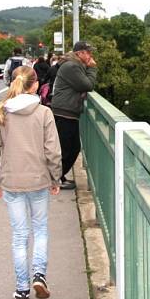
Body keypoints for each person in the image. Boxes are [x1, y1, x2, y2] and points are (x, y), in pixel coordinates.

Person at [0, 66, 62, 299]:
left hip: (11, 182)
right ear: (36, 85)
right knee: (39, 229)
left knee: (19, 236)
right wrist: (55, 178)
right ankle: (39, 274)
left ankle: (22, 289)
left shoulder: (2, 113)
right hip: (38, 180)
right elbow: (53, 151)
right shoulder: (44, 113)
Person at [50, 41, 97, 190]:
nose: (90, 55)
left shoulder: (73, 65)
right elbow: (87, 85)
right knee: (68, 148)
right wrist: (92, 69)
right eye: (88, 52)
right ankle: (55, 179)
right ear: (80, 53)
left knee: (69, 148)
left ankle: (58, 177)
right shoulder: (72, 66)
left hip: (66, 111)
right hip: (65, 112)